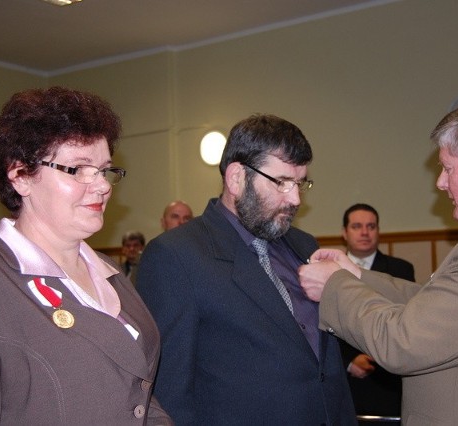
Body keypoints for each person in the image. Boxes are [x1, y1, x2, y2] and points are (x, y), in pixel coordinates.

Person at [299, 99, 458, 424]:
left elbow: (403, 342)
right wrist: (355, 274)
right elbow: (434, 306)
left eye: (448, 167)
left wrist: (334, 285)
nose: (440, 182)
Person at [0, 87, 172, 425]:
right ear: (21, 175)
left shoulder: (108, 271)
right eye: (79, 169)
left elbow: (137, 392)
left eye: (104, 169)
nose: (102, 185)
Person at [138, 114, 356, 425]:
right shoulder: (175, 256)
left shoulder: (304, 245)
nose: (295, 198)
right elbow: (169, 390)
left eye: (300, 183)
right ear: (237, 178)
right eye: (281, 182)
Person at [340, 203, 415, 420]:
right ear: (344, 232)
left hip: (387, 379)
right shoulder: (329, 270)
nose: (364, 232)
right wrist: (349, 361)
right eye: (357, 226)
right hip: (344, 382)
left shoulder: (401, 270)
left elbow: (405, 322)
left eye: (371, 226)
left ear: (378, 231)